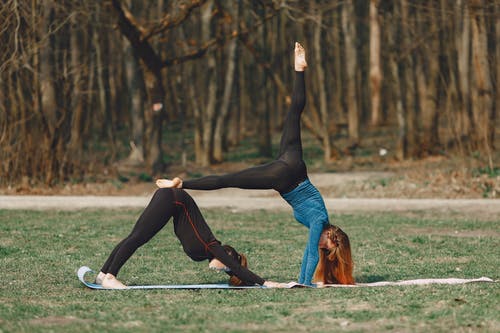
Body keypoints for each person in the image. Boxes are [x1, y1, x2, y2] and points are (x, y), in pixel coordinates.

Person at [156, 42, 354, 286]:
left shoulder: (321, 219)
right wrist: (303, 283)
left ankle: (299, 69)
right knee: (229, 180)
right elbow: (310, 253)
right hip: (286, 178)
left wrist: (312, 279)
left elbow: (314, 252)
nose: (323, 245)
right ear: (334, 235)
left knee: (294, 113)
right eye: (329, 244)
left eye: (327, 248)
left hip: (294, 167)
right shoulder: (320, 222)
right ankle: (181, 182)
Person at [96, 187, 284, 289]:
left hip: (172, 200)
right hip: (172, 198)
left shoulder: (205, 254)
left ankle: (102, 275)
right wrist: (266, 283)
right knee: (137, 238)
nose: (223, 268)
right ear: (226, 255)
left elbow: (233, 270)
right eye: (226, 264)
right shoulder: (212, 245)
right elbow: (236, 267)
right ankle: (110, 276)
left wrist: (238, 275)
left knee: (135, 237)